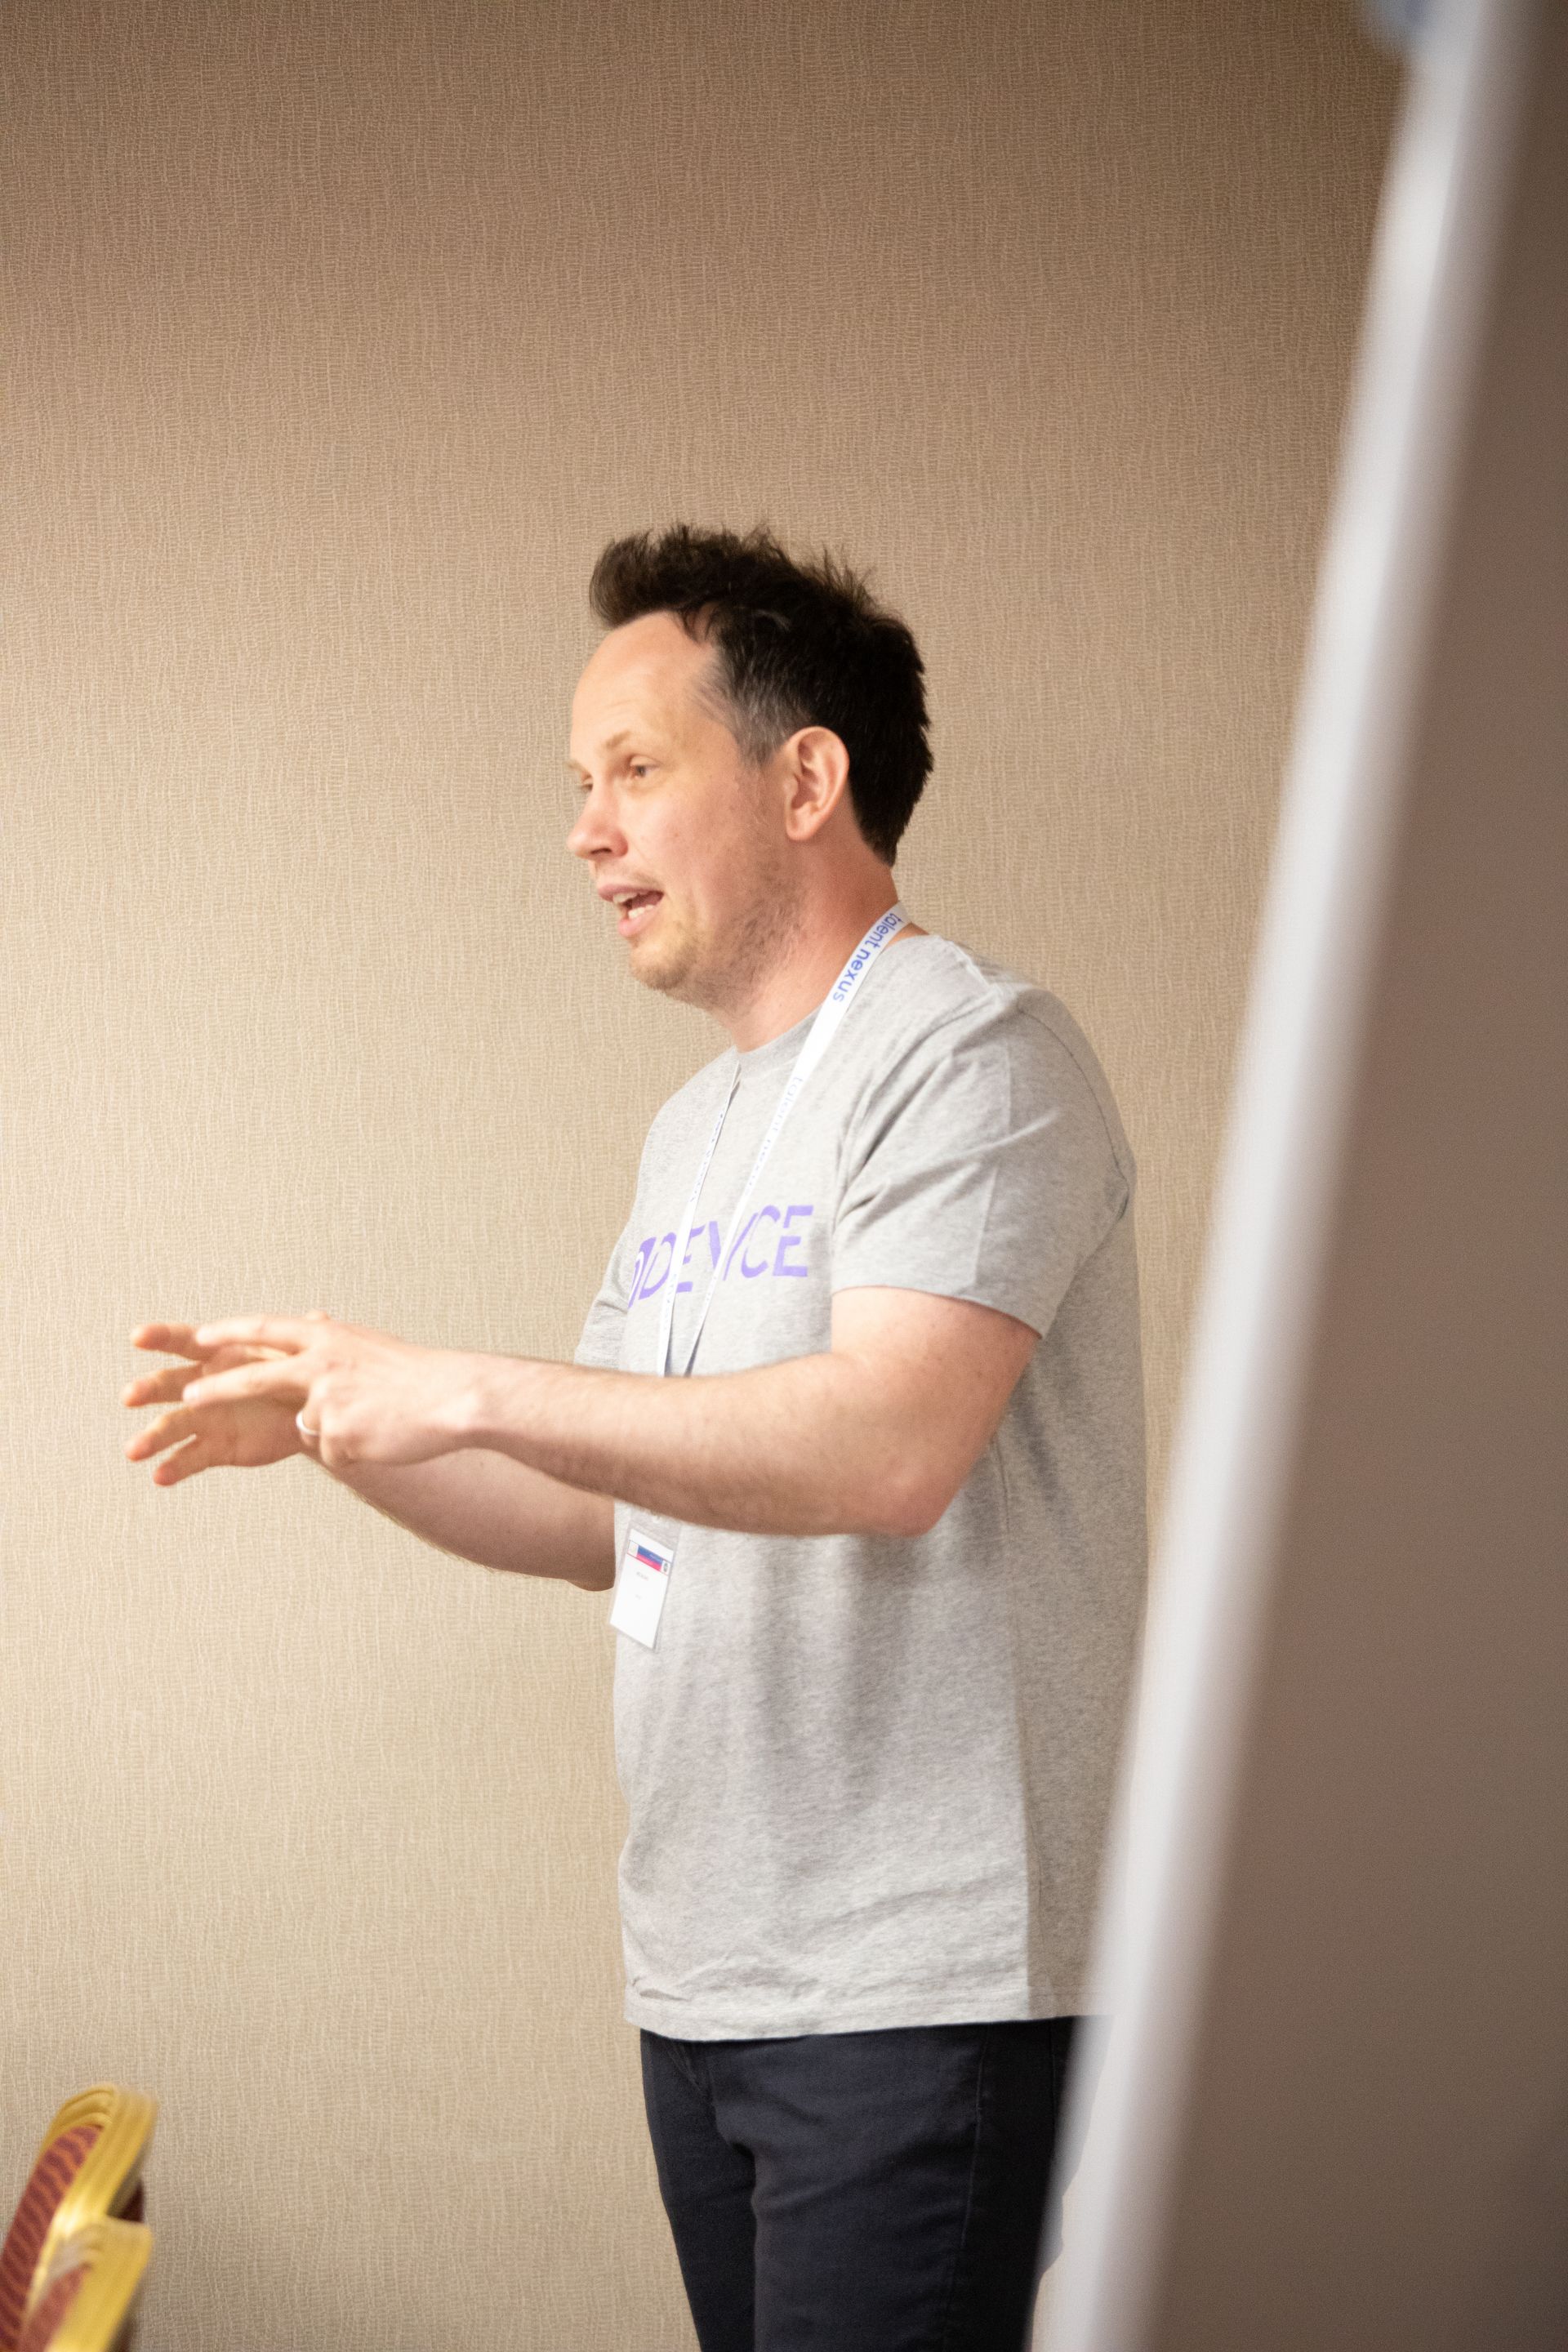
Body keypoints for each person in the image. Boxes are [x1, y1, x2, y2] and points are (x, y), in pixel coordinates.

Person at [123, 523, 1147, 2352]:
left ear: (806, 777)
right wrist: (351, 1432)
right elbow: (605, 1506)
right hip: (712, 1972)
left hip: (919, 1985)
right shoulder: (698, 1130)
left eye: (635, 771)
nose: (584, 831)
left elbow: (890, 1448)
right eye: (578, 786)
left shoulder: (973, 1054)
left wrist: (467, 1379)